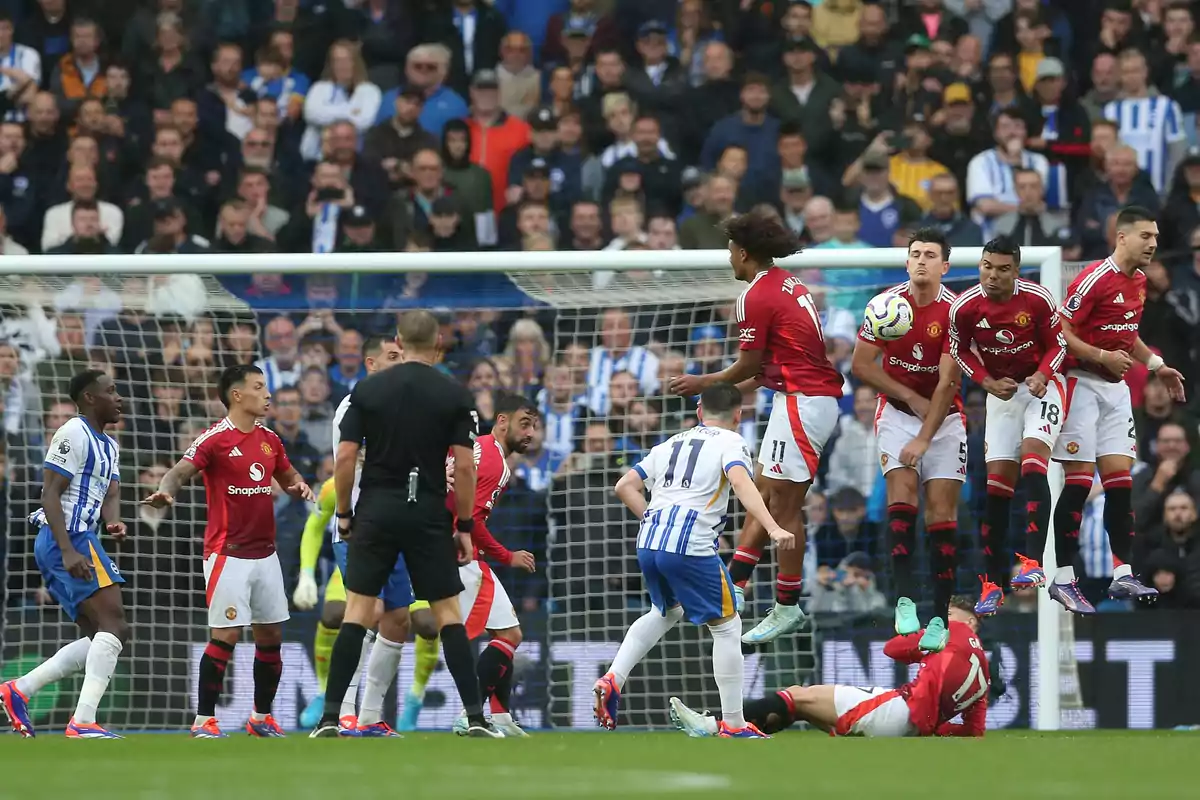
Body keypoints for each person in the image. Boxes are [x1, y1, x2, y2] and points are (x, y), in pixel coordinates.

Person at [312, 310, 501, 738]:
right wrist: (466, 525)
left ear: (399, 338)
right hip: (428, 513)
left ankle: (329, 719)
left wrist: (344, 513)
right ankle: (474, 717)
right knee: (448, 615)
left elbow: (343, 459)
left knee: (358, 613)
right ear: (437, 343)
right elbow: (467, 468)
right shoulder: (453, 393)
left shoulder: (367, 390)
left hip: (376, 509)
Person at [668, 208, 843, 645]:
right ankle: (737, 585)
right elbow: (765, 364)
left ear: (743, 253)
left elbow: (748, 362)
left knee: (785, 507)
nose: (728, 259)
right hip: (796, 399)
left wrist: (702, 382)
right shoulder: (788, 281)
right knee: (763, 493)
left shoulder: (755, 296)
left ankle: (787, 604)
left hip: (803, 403)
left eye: (730, 251)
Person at [595, 382, 796, 737]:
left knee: (665, 612)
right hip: (689, 544)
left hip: (649, 540)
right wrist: (772, 526)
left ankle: (614, 678)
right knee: (728, 625)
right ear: (738, 415)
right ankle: (734, 724)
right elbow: (740, 483)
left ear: (699, 411)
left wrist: (652, 519)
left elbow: (624, 486)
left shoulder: (670, 443)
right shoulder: (732, 442)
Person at [143, 364, 314, 738]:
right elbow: (179, 471)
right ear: (237, 395)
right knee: (227, 635)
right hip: (227, 553)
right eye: (258, 386)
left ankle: (260, 717)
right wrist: (167, 491)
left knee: (270, 639)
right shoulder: (215, 438)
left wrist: (299, 486)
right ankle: (204, 720)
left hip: (265, 554)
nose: (267, 393)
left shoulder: (270, 439)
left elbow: (288, 477)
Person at [293, 335, 441, 735]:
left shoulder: (412, 407)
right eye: (392, 356)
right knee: (366, 611)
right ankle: (336, 711)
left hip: (401, 528)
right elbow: (347, 460)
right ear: (371, 364)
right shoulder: (355, 405)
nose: (401, 362)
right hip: (361, 526)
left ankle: (371, 716)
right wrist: (344, 515)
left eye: (404, 355)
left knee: (398, 621)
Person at [1048, 206, 1187, 613]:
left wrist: (1157, 366)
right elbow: (1060, 329)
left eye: (1157, 237)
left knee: (1120, 484)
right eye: (1146, 236)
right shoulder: (1093, 279)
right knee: (1077, 483)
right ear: (1121, 237)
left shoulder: (1140, 281)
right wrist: (1101, 356)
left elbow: (1128, 334)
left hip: (1116, 391)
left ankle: (1122, 572)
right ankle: (1063, 578)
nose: (1154, 244)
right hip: (1081, 385)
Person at [850, 228, 964, 645]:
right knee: (902, 496)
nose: (920, 261)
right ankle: (903, 600)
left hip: (947, 418)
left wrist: (924, 435)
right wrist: (907, 395)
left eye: (930, 255)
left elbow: (949, 383)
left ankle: (940, 617)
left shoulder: (955, 311)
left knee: (941, 514)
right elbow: (862, 364)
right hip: (897, 412)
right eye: (915, 254)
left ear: (944, 266)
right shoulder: (885, 306)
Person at [0, 370, 128, 739]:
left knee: (99, 636)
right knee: (115, 624)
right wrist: (69, 549)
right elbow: (50, 494)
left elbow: (112, 491)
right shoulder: (73, 432)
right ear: (90, 398)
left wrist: (114, 522)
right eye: (111, 391)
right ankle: (83, 721)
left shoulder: (109, 444)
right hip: (66, 538)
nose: (118, 398)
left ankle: (18, 690)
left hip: (84, 537)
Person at [946, 236, 1068, 614]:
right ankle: (992, 583)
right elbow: (958, 350)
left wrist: (1044, 374)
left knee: (1034, 463)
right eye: (987, 266)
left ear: (1015, 270)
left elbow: (1059, 345)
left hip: (1041, 390)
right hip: (1001, 395)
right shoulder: (964, 307)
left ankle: (1033, 564)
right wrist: (985, 381)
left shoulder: (1037, 298)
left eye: (1002, 269)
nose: (992, 275)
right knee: (996, 490)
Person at [669, 596, 989, 738]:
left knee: (798, 697)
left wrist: (922, 642)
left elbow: (894, 648)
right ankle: (735, 729)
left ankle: (714, 726)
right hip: (910, 725)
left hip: (896, 709)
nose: (943, 621)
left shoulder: (952, 632)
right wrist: (931, 731)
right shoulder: (984, 674)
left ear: (969, 620)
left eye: (949, 614)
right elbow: (974, 730)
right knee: (804, 706)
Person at [446, 392, 539, 737]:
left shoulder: (478, 448)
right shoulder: (495, 463)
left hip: (449, 544)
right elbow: (472, 520)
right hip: (460, 550)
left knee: (507, 633)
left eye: (534, 426)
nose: (530, 433)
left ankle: (499, 716)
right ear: (502, 421)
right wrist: (507, 556)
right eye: (524, 423)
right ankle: (469, 714)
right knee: (506, 634)